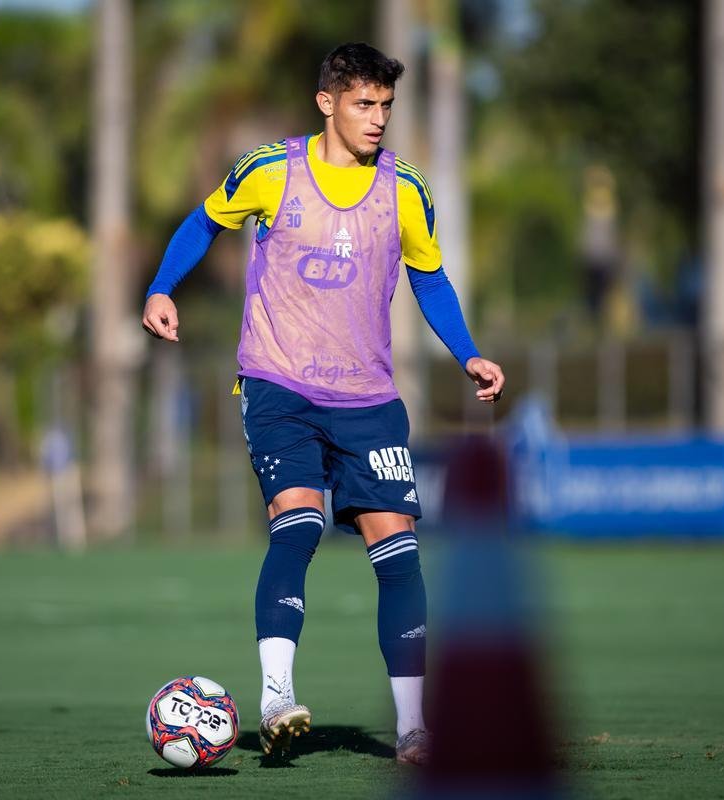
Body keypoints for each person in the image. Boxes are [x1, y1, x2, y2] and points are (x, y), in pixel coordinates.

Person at [141, 42, 505, 766]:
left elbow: (429, 278)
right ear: (327, 103)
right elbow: (203, 222)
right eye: (365, 104)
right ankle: (278, 698)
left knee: (397, 549)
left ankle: (412, 729)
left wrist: (467, 352)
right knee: (298, 522)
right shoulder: (270, 169)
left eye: (386, 106)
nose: (377, 119)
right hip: (279, 385)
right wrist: (160, 287)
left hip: (369, 397)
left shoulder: (405, 188)